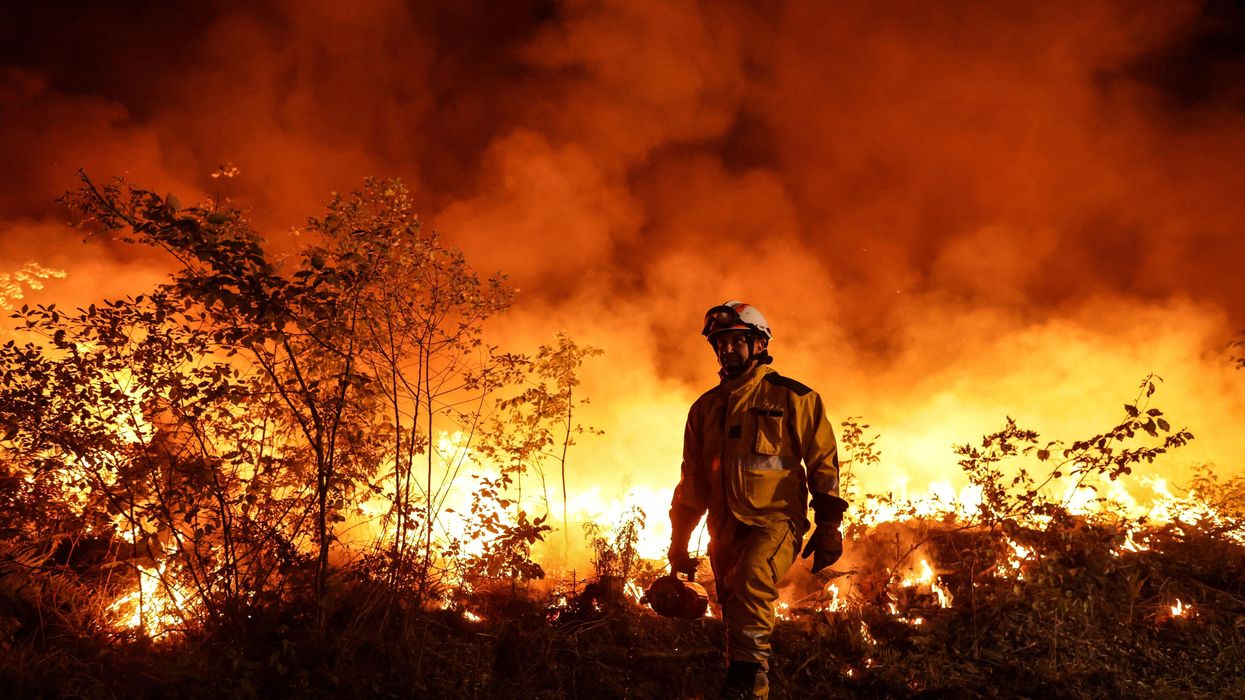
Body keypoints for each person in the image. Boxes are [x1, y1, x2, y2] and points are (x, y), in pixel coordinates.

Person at [668, 300, 848, 700]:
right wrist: (679, 540)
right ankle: (752, 690)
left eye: (736, 341)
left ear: (759, 343)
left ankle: (743, 681)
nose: (727, 350)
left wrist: (829, 524)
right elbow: (692, 480)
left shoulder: (794, 398)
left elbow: (824, 461)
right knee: (734, 607)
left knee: (750, 578)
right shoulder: (704, 409)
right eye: (720, 343)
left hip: (776, 521)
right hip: (724, 527)